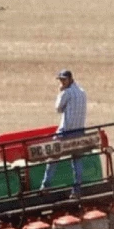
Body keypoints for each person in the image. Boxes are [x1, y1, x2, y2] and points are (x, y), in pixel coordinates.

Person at [40, 69, 87, 198]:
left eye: (63, 80)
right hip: (80, 131)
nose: (61, 82)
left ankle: (46, 186)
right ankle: (77, 188)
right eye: (60, 80)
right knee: (77, 159)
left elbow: (58, 108)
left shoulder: (67, 92)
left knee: (53, 157)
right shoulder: (82, 92)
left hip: (66, 131)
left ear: (70, 79)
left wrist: (60, 92)